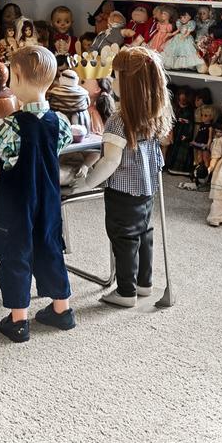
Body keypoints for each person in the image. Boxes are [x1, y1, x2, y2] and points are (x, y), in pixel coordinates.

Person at [0, 44, 74, 342]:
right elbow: (61, 143)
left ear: (18, 80)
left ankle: (18, 320)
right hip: (48, 200)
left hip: (17, 202)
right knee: (50, 248)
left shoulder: (12, 125)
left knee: (15, 254)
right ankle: (62, 310)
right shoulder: (59, 122)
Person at [70, 46, 170, 307]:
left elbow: (111, 160)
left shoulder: (119, 120)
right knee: (144, 232)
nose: (112, 81)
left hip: (123, 191)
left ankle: (126, 291)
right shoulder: (153, 114)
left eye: (115, 77)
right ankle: (143, 283)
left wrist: (88, 182)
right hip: (146, 187)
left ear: (130, 84)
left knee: (123, 237)